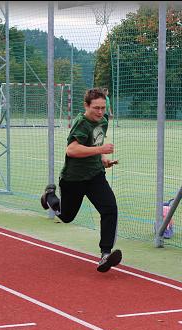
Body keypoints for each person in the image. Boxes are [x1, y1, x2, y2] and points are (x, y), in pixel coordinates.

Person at [40, 88, 122, 273]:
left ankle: (105, 254)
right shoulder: (81, 123)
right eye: (96, 108)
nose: (100, 112)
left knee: (109, 208)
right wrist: (100, 152)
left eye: (103, 108)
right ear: (86, 106)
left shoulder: (103, 121)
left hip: (95, 175)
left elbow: (94, 144)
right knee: (67, 216)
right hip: (73, 179)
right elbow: (72, 150)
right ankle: (50, 197)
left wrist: (103, 160)